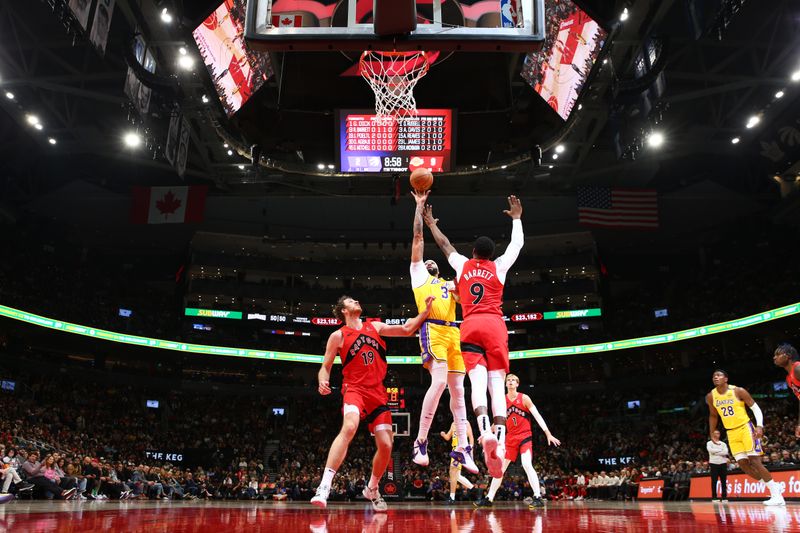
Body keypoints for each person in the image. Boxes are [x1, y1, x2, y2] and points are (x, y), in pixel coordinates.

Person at [423, 195, 524, 478]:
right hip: (494, 325)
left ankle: (483, 434)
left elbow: (444, 246)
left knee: (476, 385)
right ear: (490, 254)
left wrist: (431, 224)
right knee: (496, 386)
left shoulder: (463, 265)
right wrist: (516, 218)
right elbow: (517, 246)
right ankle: (500, 443)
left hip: (469, 326)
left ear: (474, 252)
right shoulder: (499, 267)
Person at [311, 294, 435, 511]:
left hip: (378, 392)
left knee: (387, 445)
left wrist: (425, 312)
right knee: (349, 426)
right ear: (343, 311)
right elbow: (326, 365)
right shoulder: (338, 336)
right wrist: (323, 380)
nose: (356, 301)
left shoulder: (374, 326)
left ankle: (372, 488)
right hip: (354, 389)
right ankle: (324, 486)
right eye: (351, 301)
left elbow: (406, 330)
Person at [409, 189, 476, 474]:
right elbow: (418, 239)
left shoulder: (449, 285)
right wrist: (419, 209)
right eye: (426, 262)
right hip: (432, 330)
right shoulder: (418, 275)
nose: (429, 262)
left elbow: (464, 297)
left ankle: (462, 448)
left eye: (432, 262)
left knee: (459, 391)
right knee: (437, 384)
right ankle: (420, 441)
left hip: (454, 333)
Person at [476, 374, 560, 509]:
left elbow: (537, 415)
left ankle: (537, 496)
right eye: (508, 380)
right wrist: (486, 433)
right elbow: (498, 421)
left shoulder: (524, 398)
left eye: (513, 380)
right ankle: (488, 499)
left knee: (527, 464)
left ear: (517, 384)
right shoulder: (501, 400)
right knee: (499, 469)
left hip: (525, 436)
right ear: (505, 384)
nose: (510, 381)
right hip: (510, 438)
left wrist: (548, 434)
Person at [707, 369, 784, 505]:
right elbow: (713, 415)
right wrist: (712, 432)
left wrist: (759, 426)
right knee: (743, 464)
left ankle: (776, 495)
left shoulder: (738, 391)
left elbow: (755, 408)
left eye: (719, 375)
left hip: (745, 428)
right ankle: (774, 487)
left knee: (755, 461)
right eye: (714, 376)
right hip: (731, 432)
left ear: (726, 379)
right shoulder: (711, 396)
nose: (715, 377)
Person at [440, 420, 475, 503]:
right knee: (456, 475)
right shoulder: (453, 423)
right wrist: (443, 434)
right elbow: (448, 437)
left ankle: (452, 497)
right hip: (454, 451)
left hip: (461, 451)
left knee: (453, 473)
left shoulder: (466, 423)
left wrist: (470, 450)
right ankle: (473, 488)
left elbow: (471, 438)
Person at [773, 343, 800, 437]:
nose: (774, 357)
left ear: (787, 356)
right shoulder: (789, 379)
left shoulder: (798, 368)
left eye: (778, 354)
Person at [707, 429, 730, 502]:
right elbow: (710, 450)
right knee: (714, 481)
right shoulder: (709, 443)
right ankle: (714, 497)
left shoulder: (723, 444)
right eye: (715, 433)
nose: (717, 434)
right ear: (713, 435)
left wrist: (716, 452)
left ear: (719, 435)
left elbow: (726, 452)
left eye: (718, 433)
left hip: (723, 463)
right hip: (714, 464)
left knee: (723, 481)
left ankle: (724, 497)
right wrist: (720, 451)